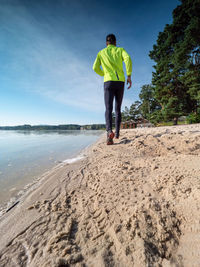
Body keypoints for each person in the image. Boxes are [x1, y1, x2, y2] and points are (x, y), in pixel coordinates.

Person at [93, 34, 132, 145]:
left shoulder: (101, 53)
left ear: (106, 43)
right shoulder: (120, 50)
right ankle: (118, 133)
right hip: (120, 82)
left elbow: (95, 67)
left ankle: (109, 133)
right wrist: (129, 75)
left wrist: (104, 73)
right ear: (115, 42)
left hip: (108, 81)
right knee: (118, 108)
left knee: (108, 109)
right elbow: (128, 59)